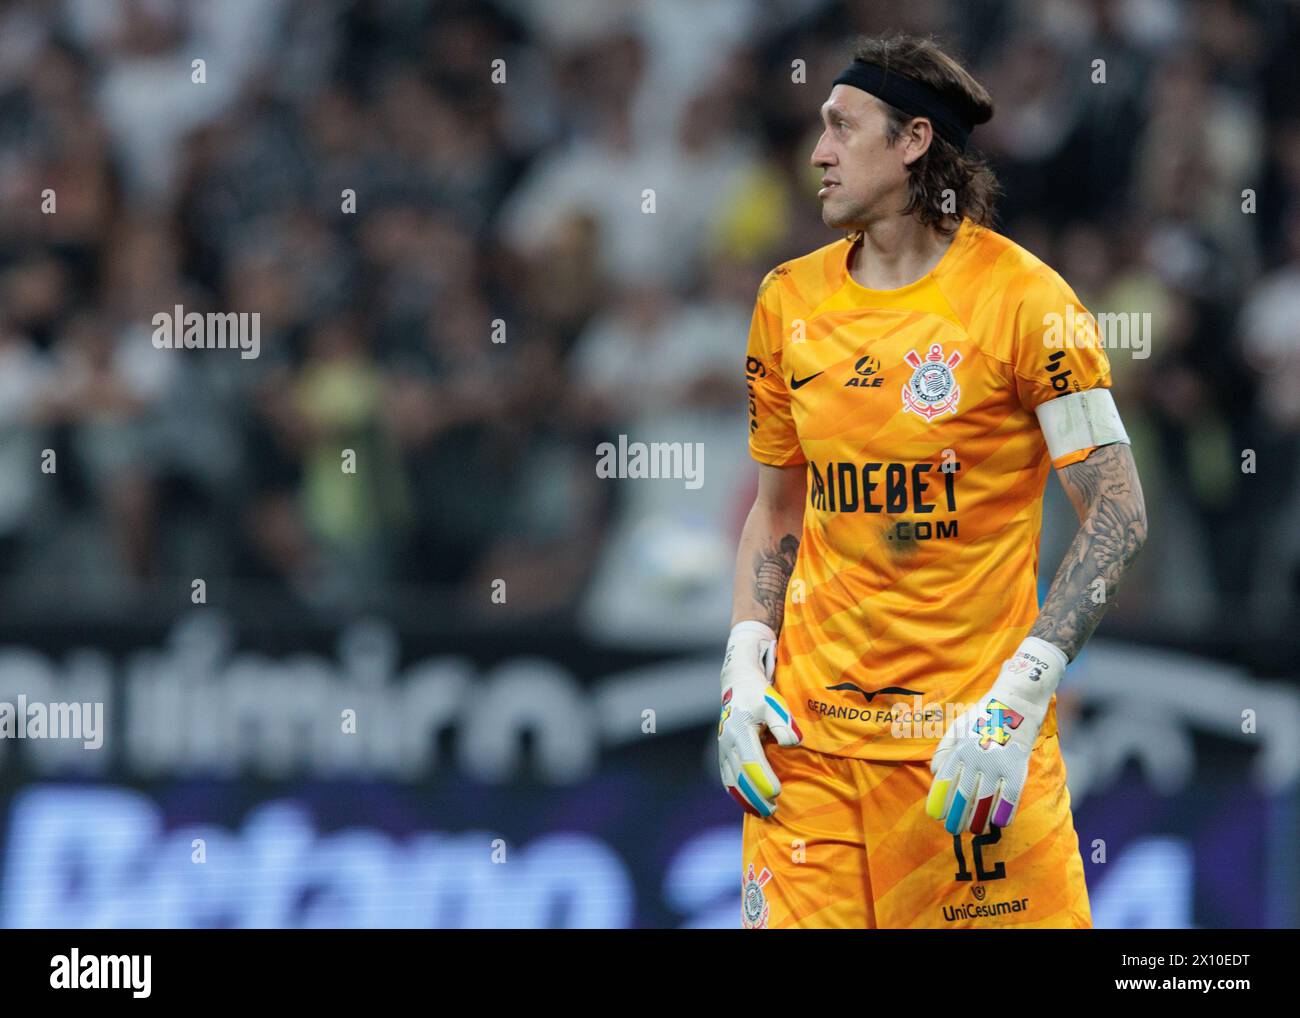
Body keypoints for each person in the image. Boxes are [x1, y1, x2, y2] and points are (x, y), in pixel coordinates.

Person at [718, 33, 1148, 929]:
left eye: (842, 128)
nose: (818, 153)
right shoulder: (786, 303)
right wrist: (744, 662)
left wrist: (1023, 696)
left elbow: (1118, 511)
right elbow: (776, 509)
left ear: (914, 141)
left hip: (969, 756)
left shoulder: (1027, 303)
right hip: (811, 755)